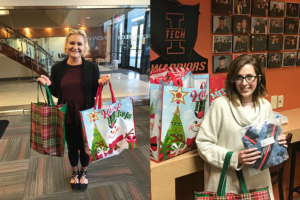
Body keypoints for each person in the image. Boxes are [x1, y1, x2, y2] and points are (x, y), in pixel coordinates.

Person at [196, 54, 287, 200]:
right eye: (239, 77)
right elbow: (203, 144)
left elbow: (265, 148)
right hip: (227, 185)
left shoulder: (265, 106)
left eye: (249, 76)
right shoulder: (220, 105)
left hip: (258, 184)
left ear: (258, 78)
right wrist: (235, 158)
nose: (244, 83)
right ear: (232, 79)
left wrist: (276, 143)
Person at [37, 29, 111, 192]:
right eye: (72, 43)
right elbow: (57, 93)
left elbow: (93, 93)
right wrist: (48, 84)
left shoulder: (92, 67)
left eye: (79, 44)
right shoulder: (57, 68)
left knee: (85, 146)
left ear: (84, 47)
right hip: (67, 112)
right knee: (72, 146)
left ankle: (84, 173)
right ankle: (74, 172)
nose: (75, 47)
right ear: (66, 45)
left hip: (86, 112)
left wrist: (100, 84)